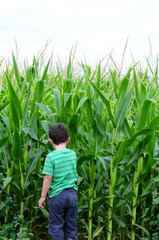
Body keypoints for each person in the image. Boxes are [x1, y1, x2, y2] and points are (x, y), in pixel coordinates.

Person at [38, 123, 78, 240]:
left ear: (51, 141)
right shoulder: (72, 154)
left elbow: (48, 178)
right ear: (68, 139)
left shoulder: (51, 157)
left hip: (57, 196)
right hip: (72, 195)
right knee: (71, 227)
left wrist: (42, 197)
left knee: (56, 227)